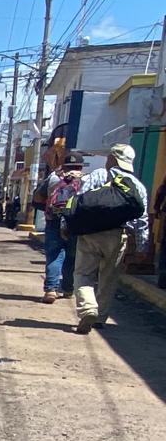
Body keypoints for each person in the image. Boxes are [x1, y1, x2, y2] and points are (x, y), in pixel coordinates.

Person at [66, 143, 148, 334]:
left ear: (112, 159)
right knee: (108, 277)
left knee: (83, 274)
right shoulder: (137, 186)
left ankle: (88, 309)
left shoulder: (97, 176)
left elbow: (77, 202)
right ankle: (101, 316)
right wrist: (142, 247)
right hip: (117, 235)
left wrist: (66, 226)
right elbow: (141, 219)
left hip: (90, 234)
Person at [41, 153, 84, 303]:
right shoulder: (85, 179)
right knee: (72, 256)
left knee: (54, 254)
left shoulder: (53, 178)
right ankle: (68, 289)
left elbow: (38, 197)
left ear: (64, 165)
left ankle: (51, 290)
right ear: (80, 166)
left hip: (54, 219)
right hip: (75, 221)